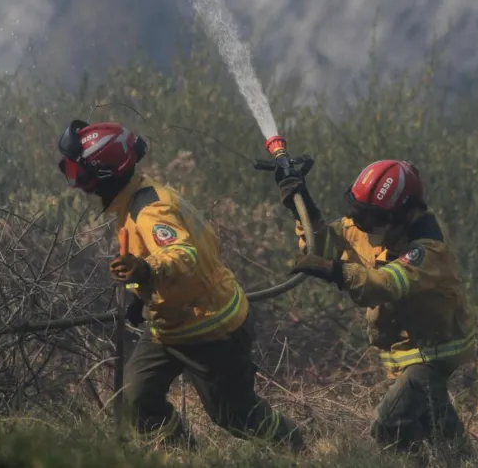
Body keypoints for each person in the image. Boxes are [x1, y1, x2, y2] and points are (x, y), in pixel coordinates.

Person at [57, 119, 304, 451]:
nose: (77, 182)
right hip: (169, 324)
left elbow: (182, 255)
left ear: (104, 174)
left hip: (210, 327)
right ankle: (187, 453)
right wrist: (138, 298)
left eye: (80, 172)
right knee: (136, 401)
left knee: (234, 416)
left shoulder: (149, 210)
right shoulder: (131, 200)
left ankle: (294, 447)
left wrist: (144, 269)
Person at [278, 158, 474, 455]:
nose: (362, 227)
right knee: (436, 434)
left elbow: (383, 284)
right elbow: (324, 244)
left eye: (371, 220)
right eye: (359, 215)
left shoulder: (428, 248)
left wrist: (337, 272)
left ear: (405, 214)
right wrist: (301, 204)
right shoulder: (378, 223)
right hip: (404, 354)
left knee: (389, 425)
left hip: (432, 354)